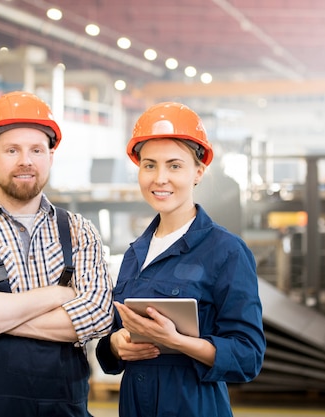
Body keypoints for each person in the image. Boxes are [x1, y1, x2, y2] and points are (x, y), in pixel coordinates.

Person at [0, 91, 113, 416]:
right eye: (12, 150)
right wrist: (61, 294)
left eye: (36, 150)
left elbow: (98, 317)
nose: (26, 160)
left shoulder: (80, 231)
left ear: (50, 158)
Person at [95, 102, 265, 417]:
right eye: (149, 165)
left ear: (198, 171)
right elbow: (111, 347)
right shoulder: (135, 253)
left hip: (193, 406)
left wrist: (178, 342)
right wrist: (116, 345)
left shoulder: (226, 251)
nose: (160, 178)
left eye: (174, 165)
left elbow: (248, 356)